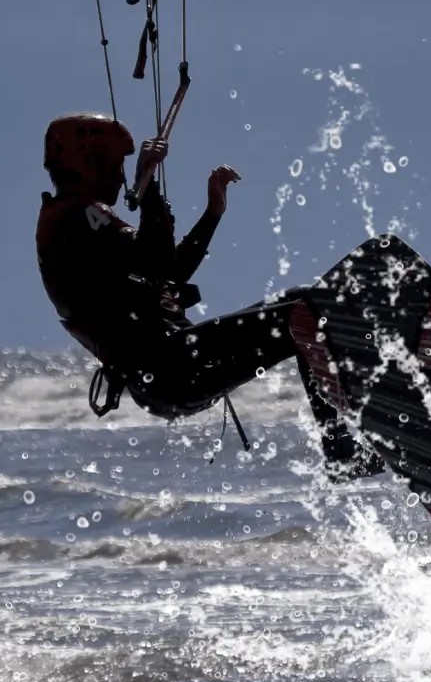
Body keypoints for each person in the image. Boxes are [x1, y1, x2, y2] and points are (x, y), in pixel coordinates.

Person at [34, 112, 381, 479]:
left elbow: (167, 272)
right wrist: (147, 187)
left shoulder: (72, 220)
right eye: (117, 165)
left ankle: (344, 442)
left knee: (305, 301)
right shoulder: (78, 216)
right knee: (306, 312)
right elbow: (156, 259)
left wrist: (213, 213)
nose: (121, 177)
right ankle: (346, 444)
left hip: (167, 374)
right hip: (169, 366)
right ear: (91, 161)